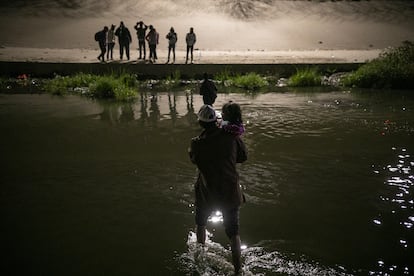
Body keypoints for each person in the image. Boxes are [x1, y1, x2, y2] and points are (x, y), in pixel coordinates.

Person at [189, 104, 247, 275]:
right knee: (234, 234)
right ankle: (238, 271)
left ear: (200, 123)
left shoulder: (196, 143)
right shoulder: (232, 138)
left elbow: (194, 159)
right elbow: (243, 156)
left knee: (200, 224)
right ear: (216, 120)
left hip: (206, 193)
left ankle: (200, 260)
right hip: (230, 193)